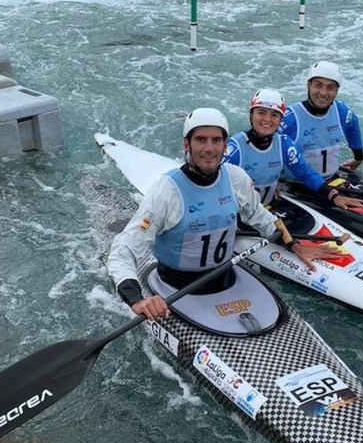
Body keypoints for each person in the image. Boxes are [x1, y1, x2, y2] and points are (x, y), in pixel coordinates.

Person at [107, 107, 342, 320]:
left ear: (225, 145)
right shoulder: (166, 191)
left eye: (216, 140)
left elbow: (262, 218)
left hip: (226, 278)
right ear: (186, 145)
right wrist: (137, 300)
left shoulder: (235, 177)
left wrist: (294, 245)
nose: (209, 148)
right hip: (175, 287)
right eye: (200, 140)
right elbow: (124, 248)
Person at [223, 88, 363, 209]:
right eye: (261, 112)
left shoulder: (284, 143)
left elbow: (305, 173)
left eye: (274, 114)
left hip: (264, 210)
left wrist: (333, 195)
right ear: (251, 115)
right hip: (237, 216)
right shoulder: (233, 149)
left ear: (280, 119)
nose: (267, 119)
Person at [278, 61, 363, 180]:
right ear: (309, 85)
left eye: (330, 88)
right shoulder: (289, 118)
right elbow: (265, 148)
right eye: (318, 85)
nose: (323, 93)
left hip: (331, 180)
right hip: (296, 185)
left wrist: (358, 158)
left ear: (337, 90)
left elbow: (353, 124)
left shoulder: (341, 111)